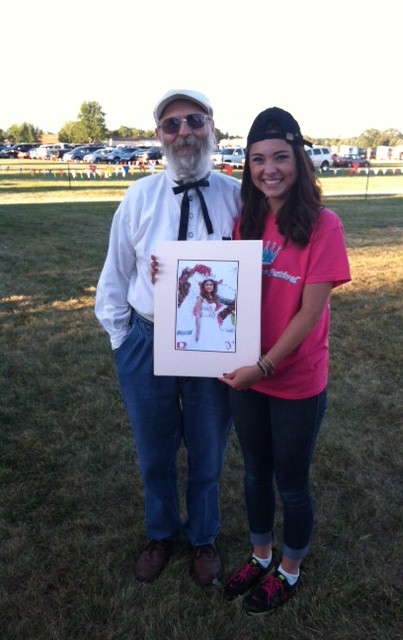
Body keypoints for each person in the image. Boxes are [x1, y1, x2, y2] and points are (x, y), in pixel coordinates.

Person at [95, 89, 241, 586]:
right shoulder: (138, 197)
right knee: (154, 452)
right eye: (171, 124)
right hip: (146, 342)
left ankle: (203, 538)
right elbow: (115, 274)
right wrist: (122, 339)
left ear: (210, 125)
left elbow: (257, 270)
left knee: (207, 450)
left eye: (193, 121)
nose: (184, 132)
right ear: (160, 135)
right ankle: (161, 533)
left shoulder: (237, 195)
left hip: (211, 347)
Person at [218, 107, 352, 614]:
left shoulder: (323, 224)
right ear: (247, 165)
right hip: (248, 374)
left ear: (299, 160)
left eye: (280, 157)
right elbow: (222, 288)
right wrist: (170, 273)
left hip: (292, 378)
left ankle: (289, 570)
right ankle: (259, 555)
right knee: (254, 472)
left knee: (290, 483)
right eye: (257, 159)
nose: (269, 169)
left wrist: (264, 366)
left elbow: (309, 314)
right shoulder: (245, 220)